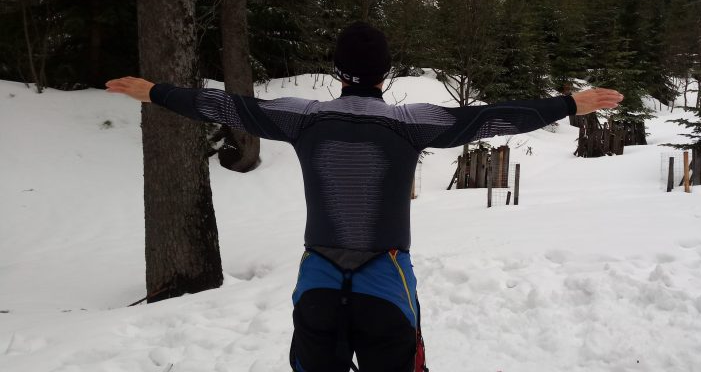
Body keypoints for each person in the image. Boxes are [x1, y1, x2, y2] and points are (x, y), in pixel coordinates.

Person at [106, 21, 623, 372]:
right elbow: (489, 118)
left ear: (338, 72)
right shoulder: (411, 122)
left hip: (318, 285)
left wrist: (156, 92)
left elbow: (226, 106)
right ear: (386, 74)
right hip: (386, 281)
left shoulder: (303, 117)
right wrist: (568, 104)